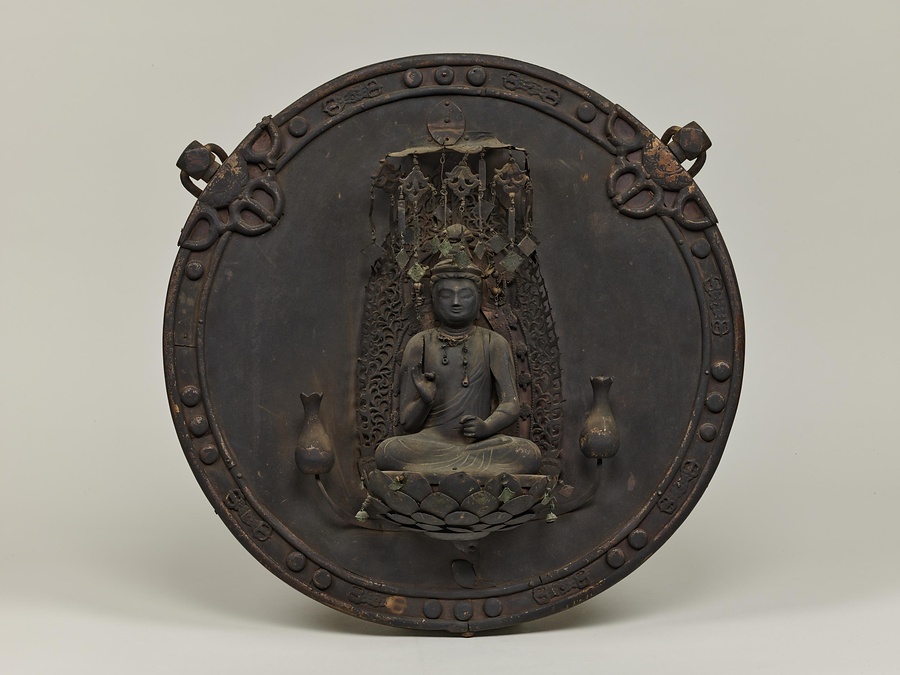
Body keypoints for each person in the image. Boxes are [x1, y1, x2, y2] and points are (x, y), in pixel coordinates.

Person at [374, 228, 542, 482]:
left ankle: (446, 472)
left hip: (480, 446)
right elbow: (408, 423)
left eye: (464, 295)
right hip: (432, 442)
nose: (455, 302)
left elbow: (510, 404)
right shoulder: (420, 343)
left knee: (527, 454)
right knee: (388, 452)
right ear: (433, 299)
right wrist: (424, 401)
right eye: (446, 295)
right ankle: (467, 473)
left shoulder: (493, 343)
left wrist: (486, 426)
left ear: (479, 299)